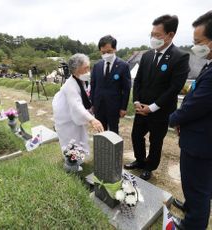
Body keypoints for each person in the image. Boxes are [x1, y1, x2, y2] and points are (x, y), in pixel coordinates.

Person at [124, 15, 190, 180]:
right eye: (152, 34)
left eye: (158, 35)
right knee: (136, 135)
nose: (154, 38)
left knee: (156, 141)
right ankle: (139, 161)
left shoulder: (180, 57)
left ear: (170, 35)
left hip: (160, 111)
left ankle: (149, 166)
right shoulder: (146, 56)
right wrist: (137, 102)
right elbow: (138, 80)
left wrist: (152, 107)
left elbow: (174, 88)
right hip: (141, 108)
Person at [169, 10, 212, 230]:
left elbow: (197, 105)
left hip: (201, 144)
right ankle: (191, 208)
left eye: (199, 42)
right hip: (198, 137)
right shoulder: (209, 64)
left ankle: (192, 224)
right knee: (196, 186)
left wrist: (174, 118)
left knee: (198, 187)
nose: (195, 46)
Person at [52, 53, 104, 157]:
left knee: (79, 139)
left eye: (89, 67)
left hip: (73, 119)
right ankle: (71, 163)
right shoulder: (70, 85)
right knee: (70, 142)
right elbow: (76, 105)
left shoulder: (81, 81)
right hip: (66, 121)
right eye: (86, 68)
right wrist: (92, 120)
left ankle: (78, 159)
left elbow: (84, 99)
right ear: (76, 69)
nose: (88, 71)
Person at [90, 35, 131, 134]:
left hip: (114, 106)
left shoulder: (123, 66)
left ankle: (114, 150)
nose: (106, 54)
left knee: (113, 132)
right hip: (99, 105)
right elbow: (93, 85)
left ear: (115, 49)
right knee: (100, 132)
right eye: (103, 52)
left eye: (109, 51)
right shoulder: (97, 65)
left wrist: (123, 108)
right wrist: (92, 104)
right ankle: (101, 149)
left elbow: (126, 89)